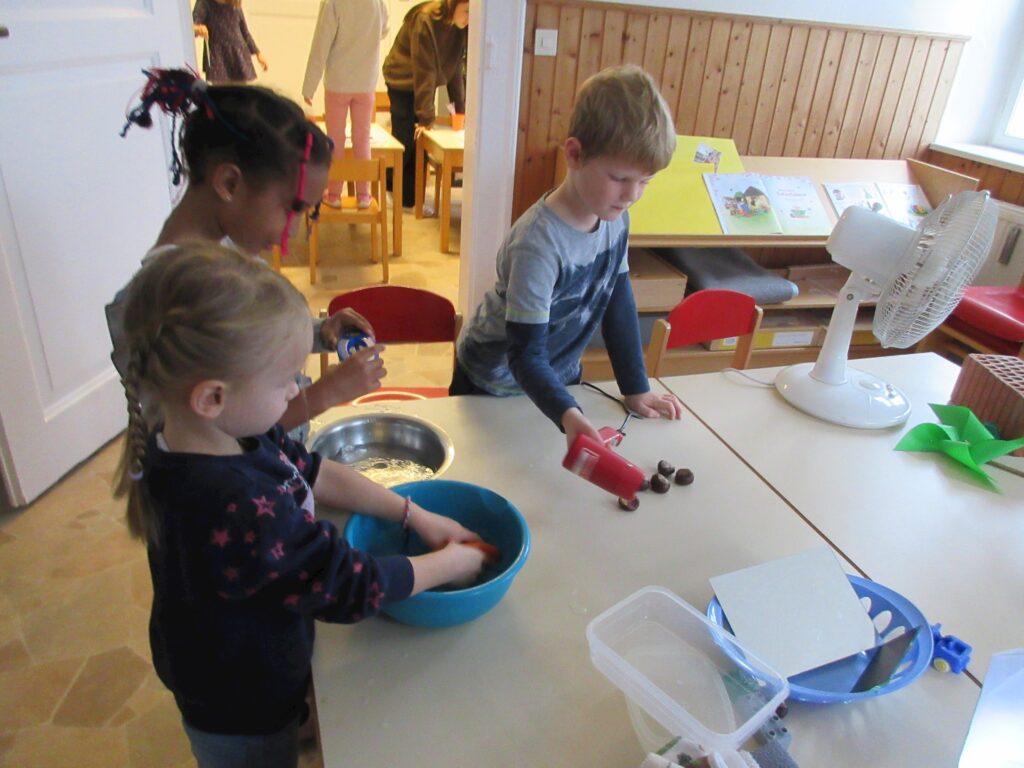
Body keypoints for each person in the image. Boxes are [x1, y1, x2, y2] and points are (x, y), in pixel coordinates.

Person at [113, 243, 488, 768]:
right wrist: (456, 561)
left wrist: (415, 514)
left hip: (238, 655)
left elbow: (311, 469)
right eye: (285, 379)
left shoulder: (218, 433)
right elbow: (349, 585)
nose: (297, 390)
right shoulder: (234, 504)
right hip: (240, 702)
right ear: (212, 397)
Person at [116, 68, 384, 438]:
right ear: (229, 183)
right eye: (291, 208)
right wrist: (328, 393)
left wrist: (319, 332)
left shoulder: (225, 251)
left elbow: (243, 348)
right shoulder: (178, 296)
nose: (294, 230)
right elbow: (224, 442)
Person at [451, 65, 684, 449]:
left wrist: (636, 387)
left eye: (645, 181)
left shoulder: (615, 219)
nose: (632, 195)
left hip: (555, 378)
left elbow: (617, 301)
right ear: (575, 154)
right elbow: (525, 355)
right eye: (620, 178)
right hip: (490, 384)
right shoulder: (538, 245)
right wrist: (568, 413)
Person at [301, 0, 389, 210]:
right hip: (366, 83)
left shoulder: (334, 2)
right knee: (362, 140)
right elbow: (384, 29)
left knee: (335, 140)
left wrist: (309, 86)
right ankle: (364, 195)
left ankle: (334, 194)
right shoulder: (377, 2)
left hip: (338, 83)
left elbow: (321, 44)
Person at [382, 0, 468, 208]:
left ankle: (410, 199)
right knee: (406, 139)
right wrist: (426, 117)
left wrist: (459, 111)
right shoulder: (425, 20)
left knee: (419, 140)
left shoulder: (461, 28)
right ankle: (390, 188)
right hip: (401, 80)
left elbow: (455, 69)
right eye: (467, 11)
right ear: (452, 4)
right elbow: (424, 70)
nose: (470, 18)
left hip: (423, 82)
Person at [193, 0, 268, 84]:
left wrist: (258, 53)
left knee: (240, 89)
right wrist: (197, 29)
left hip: (238, 55)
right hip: (218, 58)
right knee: (221, 90)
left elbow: (245, 33)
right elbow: (192, 26)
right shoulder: (204, 3)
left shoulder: (235, 5)